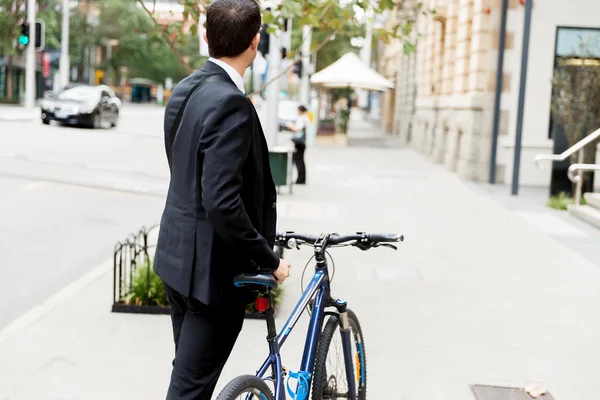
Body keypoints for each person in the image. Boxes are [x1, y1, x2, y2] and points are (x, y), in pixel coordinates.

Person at [153, 0, 291, 398]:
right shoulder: (231, 103)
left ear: (207, 38)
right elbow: (221, 202)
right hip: (209, 277)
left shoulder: (186, 88)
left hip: (176, 260)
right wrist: (270, 259)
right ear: (255, 42)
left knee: (190, 378)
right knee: (189, 390)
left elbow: (182, 168)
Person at [286, 105, 310, 184]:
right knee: (301, 161)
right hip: (302, 142)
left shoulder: (302, 118)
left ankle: (300, 180)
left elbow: (297, 129)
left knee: (299, 161)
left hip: (299, 143)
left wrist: (290, 127)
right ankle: (301, 179)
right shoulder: (305, 117)